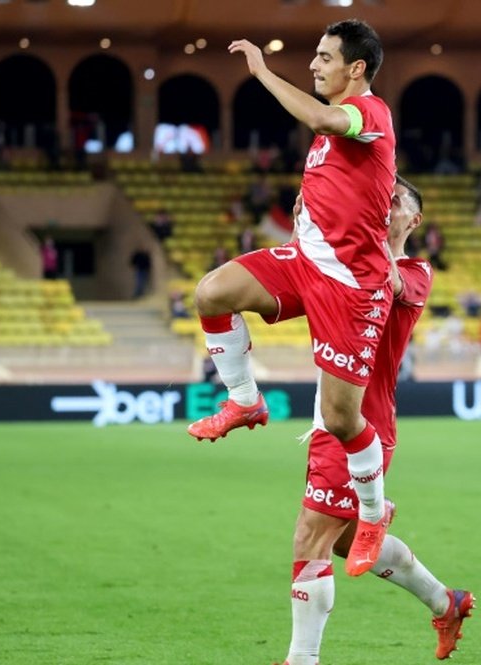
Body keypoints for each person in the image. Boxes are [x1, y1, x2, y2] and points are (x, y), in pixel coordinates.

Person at [188, 19, 396, 578]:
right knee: (212, 292)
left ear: (356, 68)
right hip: (305, 264)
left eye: (325, 57)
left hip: (351, 287)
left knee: (340, 417)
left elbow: (326, 116)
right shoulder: (333, 136)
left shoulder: (368, 113)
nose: (314, 64)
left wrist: (261, 71)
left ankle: (374, 514)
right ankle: (244, 399)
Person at [281, 176, 474, 665]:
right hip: (330, 415)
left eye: (392, 203)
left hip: (363, 423)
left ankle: (301, 660)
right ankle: (444, 601)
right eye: (377, 200)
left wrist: (354, 228)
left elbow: (384, 280)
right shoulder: (345, 264)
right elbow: (303, 274)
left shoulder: (415, 271)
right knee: (342, 540)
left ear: (414, 219)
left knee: (310, 535)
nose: (382, 208)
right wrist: (308, 225)